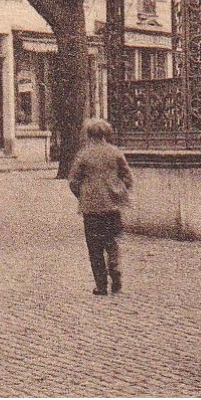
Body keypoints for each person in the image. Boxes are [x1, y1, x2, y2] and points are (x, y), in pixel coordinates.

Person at [67, 117, 134, 296]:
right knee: (111, 241)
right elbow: (127, 177)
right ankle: (115, 268)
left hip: (91, 209)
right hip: (112, 206)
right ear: (105, 134)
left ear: (89, 134)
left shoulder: (84, 155)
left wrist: (82, 195)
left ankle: (101, 285)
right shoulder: (116, 152)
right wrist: (119, 191)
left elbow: (73, 181)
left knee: (94, 247)